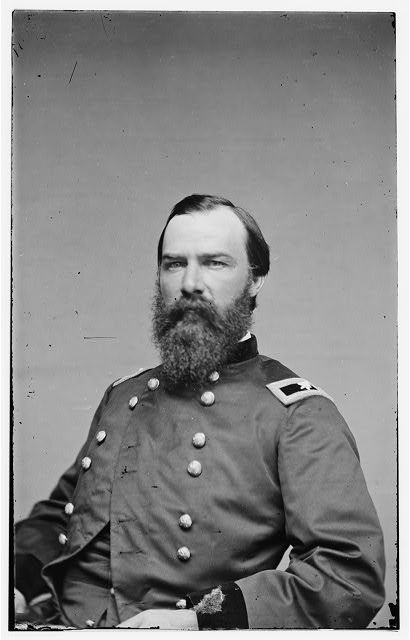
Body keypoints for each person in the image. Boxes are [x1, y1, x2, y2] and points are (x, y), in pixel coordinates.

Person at [14, 194, 385, 630]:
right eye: (174, 264)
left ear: (255, 279)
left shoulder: (297, 415)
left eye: (214, 263)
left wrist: (198, 622)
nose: (190, 283)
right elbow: (65, 514)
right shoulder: (123, 395)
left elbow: (348, 575)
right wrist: (18, 581)